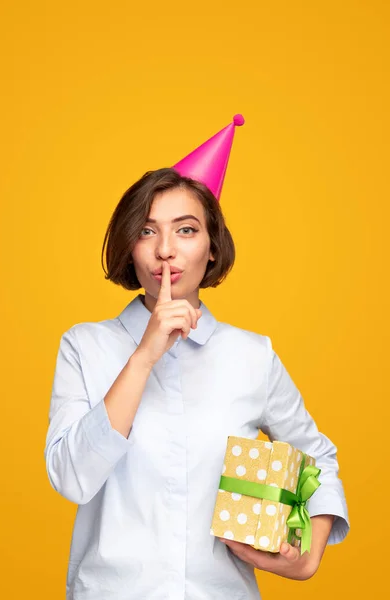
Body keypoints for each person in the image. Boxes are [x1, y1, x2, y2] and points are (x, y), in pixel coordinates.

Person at [44, 116, 350, 599]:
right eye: (147, 232)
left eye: (185, 230)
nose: (166, 250)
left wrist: (308, 555)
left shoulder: (252, 355)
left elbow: (319, 457)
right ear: (129, 249)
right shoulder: (85, 346)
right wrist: (144, 355)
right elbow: (71, 478)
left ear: (211, 250)